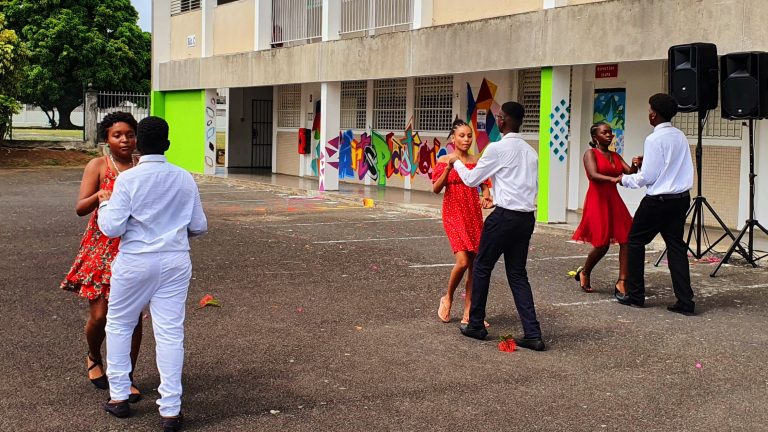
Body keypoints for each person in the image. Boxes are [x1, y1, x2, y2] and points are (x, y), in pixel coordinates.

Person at [98, 116, 208, 431]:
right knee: (170, 333)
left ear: (138, 146)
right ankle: (170, 411)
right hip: (175, 260)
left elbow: (112, 228)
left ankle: (119, 397)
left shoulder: (128, 180)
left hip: (135, 260)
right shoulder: (184, 178)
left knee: (119, 325)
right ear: (167, 144)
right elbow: (199, 226)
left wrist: (104, 204)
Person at [448, 102, 545, 351]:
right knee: (517, 273)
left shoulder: (497, 148)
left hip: (504, 217)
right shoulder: (531, 152)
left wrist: (456, 161)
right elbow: (529, 186)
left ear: (504, 120)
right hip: (526, 217)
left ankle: (475, 324)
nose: (497, 120)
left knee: (482, 266)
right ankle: (533, 334)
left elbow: (472, 179)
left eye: (499, 117)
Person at [60, 112, 143, 402]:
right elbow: (80, 208)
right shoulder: (98, 165)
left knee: (133, 318)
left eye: (130, 134)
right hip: (102, 248)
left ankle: (126, 377)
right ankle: (94, 355)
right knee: (100, 316)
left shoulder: (142, 166)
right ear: (106, 138)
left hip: (134, 246)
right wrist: (99, 196)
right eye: (117, 135)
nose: (125, 140)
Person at [614, 93, 696, 316]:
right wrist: (647, 162)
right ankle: (685, 301)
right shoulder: (680, 136)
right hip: (680, 199)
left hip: (658, 201)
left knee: (635, 241)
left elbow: (648, 177)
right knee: (676, 246)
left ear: (654, 115)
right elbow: (670, 166)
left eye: (650, 110)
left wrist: (624, 179)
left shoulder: (653, 139)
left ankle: (635, 295)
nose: (649, 113)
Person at [432, 119, 493, 326]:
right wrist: (448, 169)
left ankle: (470, 311)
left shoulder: (476, 161)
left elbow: (484, 184)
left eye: (469, 136)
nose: (466, 139)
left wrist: (486, 196)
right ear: (453, 138)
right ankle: (447, 297)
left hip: (473, 214)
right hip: (453, 214)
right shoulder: (444, 160)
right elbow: (436, 188)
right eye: (462, 136)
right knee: (463, 261)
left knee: (474, 266)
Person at [571, 123, 637, 294]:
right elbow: (592, 174)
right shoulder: (590, 153)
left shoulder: (615, 155)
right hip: (597, 200)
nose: (609, 135)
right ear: (595, 137)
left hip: (614, 200)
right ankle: (585, 272)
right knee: (602, 244)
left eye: (610, 132)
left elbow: (629, 173)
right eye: (604, 132)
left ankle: (622, 281)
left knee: (626, 239)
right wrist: (612, 179)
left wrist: (635, 164)